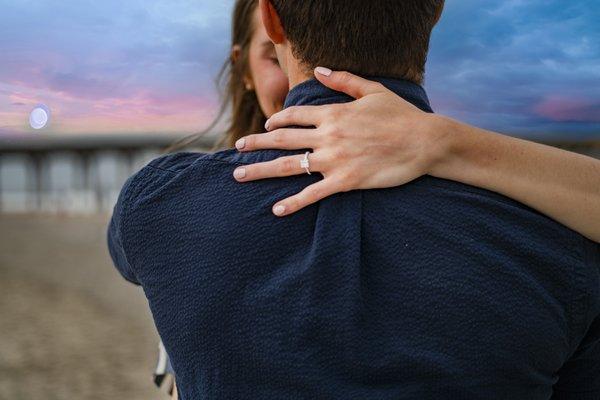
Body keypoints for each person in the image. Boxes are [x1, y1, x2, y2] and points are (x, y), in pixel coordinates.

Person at [109, 0, 600, 399]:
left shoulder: (162, 206)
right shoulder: (562, 243)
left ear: (272, 18)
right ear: (436, 11)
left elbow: (132, 254)